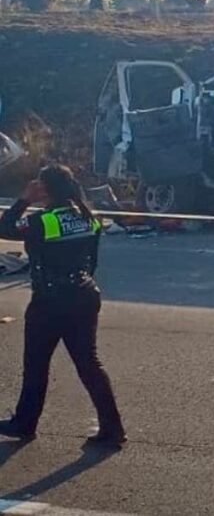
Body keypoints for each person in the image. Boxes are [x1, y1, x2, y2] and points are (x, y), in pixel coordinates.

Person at [0, 165, 125, 447]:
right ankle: (113, 428)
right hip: (84, 293)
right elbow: (92, 260)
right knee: (89, 364)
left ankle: (25, 423)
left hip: (50, 300)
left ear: (45, 189)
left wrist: (24, 200)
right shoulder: (87, 216)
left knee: (36, 365)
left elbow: (5, 227)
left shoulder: (43, 221)